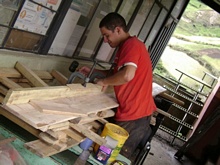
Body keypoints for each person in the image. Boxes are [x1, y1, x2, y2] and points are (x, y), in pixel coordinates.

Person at [79, 12, 156, 159]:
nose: (105, 40)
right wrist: (95, 72)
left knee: (111, 157)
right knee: (104, 154)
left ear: (118, 30)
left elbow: (127, 75)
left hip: (134, 115)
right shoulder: (125, 47)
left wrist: (104, 82)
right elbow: (116, 73)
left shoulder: (132, 45)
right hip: (132, 111)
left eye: (107, 35)